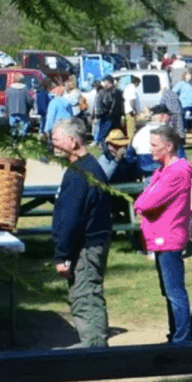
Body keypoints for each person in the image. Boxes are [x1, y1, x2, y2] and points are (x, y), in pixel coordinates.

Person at [48, 117, 113, 347]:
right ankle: (93, 346)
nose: (52, 144)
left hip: (86, 245)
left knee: (85, 296)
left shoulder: (80, 173)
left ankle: (95, 350)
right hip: (93, 241)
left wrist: (62, 254)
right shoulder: (87, 167)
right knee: (87, 292)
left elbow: (71, 218)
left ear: (73, 142)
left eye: (56, 140)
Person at [133, 125, 192, 344]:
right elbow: (147, 197)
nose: (149, 149)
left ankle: (182, 338)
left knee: (175, 291)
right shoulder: (162, 170)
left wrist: (141, 203)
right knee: (168, 291)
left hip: (169, 236)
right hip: (162, 235)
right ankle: (176, 335)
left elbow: (147, 200)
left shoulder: (176, 172)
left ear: (168, 147)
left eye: (154, 145)